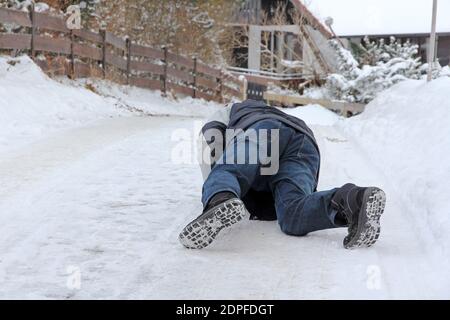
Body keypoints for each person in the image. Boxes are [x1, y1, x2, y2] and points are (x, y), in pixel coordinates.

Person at [179, 100, 386, 250]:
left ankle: (219, 198)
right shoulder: (268, 113)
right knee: (292, 214)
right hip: (304, 142)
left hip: (265, 129)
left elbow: (210, 144)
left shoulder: (228, 110)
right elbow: (271, 209)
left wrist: (215, 190)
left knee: (227, 169)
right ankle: (352, 201)